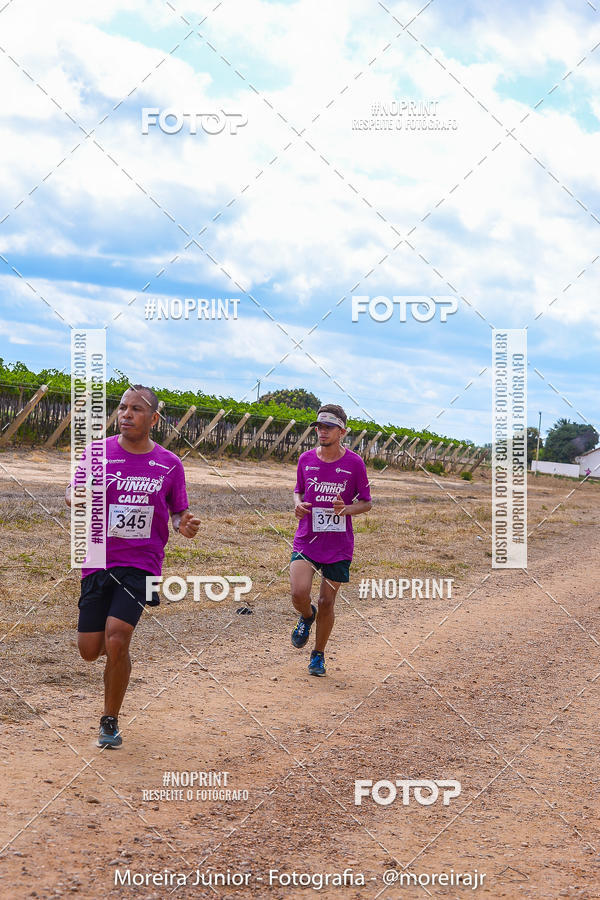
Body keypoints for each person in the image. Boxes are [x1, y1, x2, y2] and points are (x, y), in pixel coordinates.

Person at [66, 385, 200, 748]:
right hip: (97, 558)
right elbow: (72, 489)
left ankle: (109, 720)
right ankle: (118, 663)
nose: (126, 414)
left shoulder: (170, 464)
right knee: (90, 649)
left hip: (143, 563)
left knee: (117, 637)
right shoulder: (97, 452)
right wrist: (74, 495)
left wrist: (182, 524)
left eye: (136, 409)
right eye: (123, 407)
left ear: (153, 418)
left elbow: (177, 511)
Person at [290, 404, 372, 676]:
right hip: (307, 539)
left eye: (328, 427)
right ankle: (306, 616)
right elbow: (298, 491)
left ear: (342, 431)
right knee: (299, 593)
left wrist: (345, 510)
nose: (322, 432)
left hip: (338, 545)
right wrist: (298, 505)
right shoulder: (305, 459)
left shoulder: (354, 464)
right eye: (319, 427)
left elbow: (366, 503)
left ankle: (318, 655)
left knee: (328, 602)